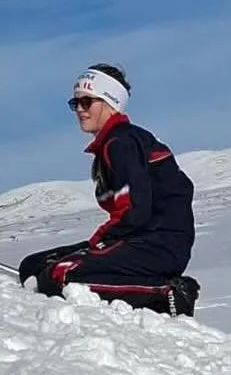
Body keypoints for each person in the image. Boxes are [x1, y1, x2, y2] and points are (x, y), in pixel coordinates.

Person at [17, 65, 200, 316]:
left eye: (87, 101)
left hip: (156, 245)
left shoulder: (121, 142)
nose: (80, 109)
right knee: (33, 265)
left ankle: (166, 293)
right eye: (75, 103)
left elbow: (134, 210)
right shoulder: (115, 143)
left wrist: (98, 243)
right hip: (139, 240)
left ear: (109, 101)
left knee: (58, 276)